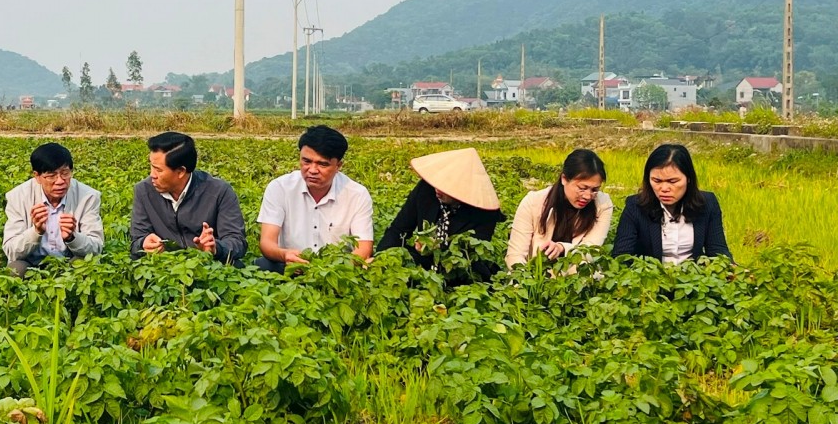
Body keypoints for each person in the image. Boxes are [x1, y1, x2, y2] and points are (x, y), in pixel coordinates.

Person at [257, 126, 373, 272]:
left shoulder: (357, 194)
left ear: (338, 166)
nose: (312, 170)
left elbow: (363, 248)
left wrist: (332, 270)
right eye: (306, 161)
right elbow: (267, 242)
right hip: (290, 267)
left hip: (337, 274)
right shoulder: (280, 188)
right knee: (262, 265)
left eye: (322, 164)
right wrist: (284, 254)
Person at [378, 147, 504, 275]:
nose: (437, 190)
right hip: (423, 264)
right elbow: (398, 229)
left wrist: (440, 247)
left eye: (446, 187)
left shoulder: (484, 211)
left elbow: (471, 256)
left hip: (460, 271)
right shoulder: (427, 190)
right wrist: (381, 259)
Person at [130, 131, 245, 264]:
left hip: (209, 267)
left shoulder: (219, 191)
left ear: (181, 171)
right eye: (152, 166)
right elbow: (136, 241)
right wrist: (143, 243)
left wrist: (216, 248)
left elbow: (237, 242)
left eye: (158, 170)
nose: (152, 175)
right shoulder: (144, 191)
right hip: (164, 267)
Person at [612, 143, 732, 263]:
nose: (664, 188)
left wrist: (731, 267)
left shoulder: (707, 203)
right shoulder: (635, 206)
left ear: (688, 178)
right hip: (649, 273)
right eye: (657, 181)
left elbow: (717, 250)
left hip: (694, 273)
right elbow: (622, 256)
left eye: (673, 181)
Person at [2, 142, 105, 276]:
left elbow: (96, 248)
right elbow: (11, 250)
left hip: (69, 262)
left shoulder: (88, 196)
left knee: (87, 266)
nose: (60, 181)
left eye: (65, 173)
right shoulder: (18, 196)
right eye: (51, 176)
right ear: (37, 176)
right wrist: (36, 232)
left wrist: (72, 237)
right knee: (15, 270)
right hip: (31, 264)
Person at [505, 149, 613, 268]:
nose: (588, 196)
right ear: (564, 179)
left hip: (578, 275)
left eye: (594, 190)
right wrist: (526, 277)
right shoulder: (533, 202)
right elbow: (515, 255)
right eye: (582, 188)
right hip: (534, 273)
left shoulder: (603, 205)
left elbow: (592, 250)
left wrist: (562, 248)